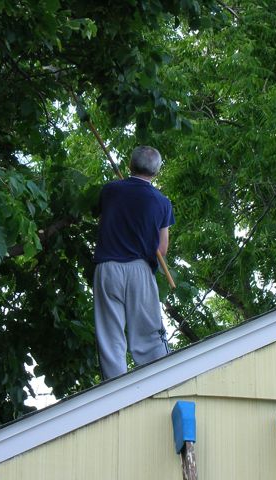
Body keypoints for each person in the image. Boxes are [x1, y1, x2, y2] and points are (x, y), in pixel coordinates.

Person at [93, 146, 175, 379]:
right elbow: (162, 249)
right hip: (140, 269)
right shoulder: (162, 202)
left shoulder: (110, 190)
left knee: (110, 336)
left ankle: (115, 391)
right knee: (149, 334)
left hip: (107, 268)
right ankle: (160, 382)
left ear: (130, 165)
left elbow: (102, 216)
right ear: (156, 171)